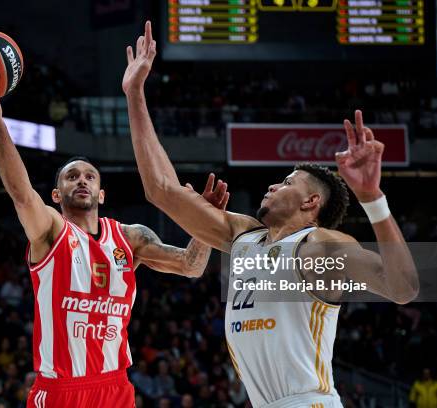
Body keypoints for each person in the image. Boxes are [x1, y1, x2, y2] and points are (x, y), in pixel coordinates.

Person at [123, 21, 419, 408]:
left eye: (287, 182)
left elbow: (403, 289)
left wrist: (373, 198)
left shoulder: (319, 246)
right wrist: (135, 94)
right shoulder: (244, 236)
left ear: (311, 203)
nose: (273, 186)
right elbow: (161, 190)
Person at [0, 72, 229, 407]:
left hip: (115, 386)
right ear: (57, 194)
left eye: (89, 177)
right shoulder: (50, 231)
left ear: (101, 194)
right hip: (60, 389)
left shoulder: (131, 237)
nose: (82, 181)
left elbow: (191, 266)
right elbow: (22, 195)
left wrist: (207, 222)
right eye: (72, 176)